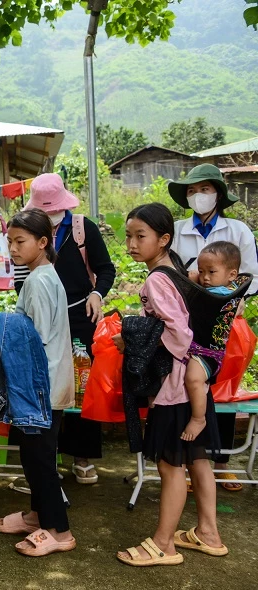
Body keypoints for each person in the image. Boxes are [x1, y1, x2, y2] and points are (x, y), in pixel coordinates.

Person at [116, 203, 227, 566]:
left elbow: (178, 333)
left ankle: (164, 544)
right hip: (196, 380)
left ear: (163, 239)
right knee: (196, 461)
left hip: (176, 385)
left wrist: (132, 339)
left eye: (140, 236)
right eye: (128, 235)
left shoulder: (156, 279)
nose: (132, 243)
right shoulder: (175, 268)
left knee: (169, 465)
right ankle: (208, 533)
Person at [16, 173, 116, 485]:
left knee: (83, 384)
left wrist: (97, 295)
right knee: (44, 381)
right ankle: (47, 460)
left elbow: (105, 268)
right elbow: (20, 275)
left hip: (81, 314)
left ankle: (82, 456)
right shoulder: (28, 231)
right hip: (45, 314)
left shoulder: (82, 228)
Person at [169, 163, 258, 492]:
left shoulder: (237, 231)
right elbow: (173, 272)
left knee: (222, 391)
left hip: (226, 322)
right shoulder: (177, 230)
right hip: (189, 320)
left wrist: (236, 298)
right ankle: (195, 463)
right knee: (192, 389)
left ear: (218, 194)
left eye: (203, 189)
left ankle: (221, 463)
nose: (197, 196)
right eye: (191, 191)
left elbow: (252, 274)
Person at [0, 209, 76, 557]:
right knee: (33, 455)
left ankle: (60, 531)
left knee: (40, 459)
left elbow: (34, 339)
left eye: (20, 241)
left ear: (42, 243)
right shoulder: (42, 275)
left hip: (42, 386)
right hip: (45, 384)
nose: (12, 248)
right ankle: (36, 516)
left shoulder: (39, 281)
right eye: (10, 241)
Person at [181, 241, 242, 442]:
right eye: (201, 271)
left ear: (232, 275)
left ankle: (199, 418)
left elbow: (194, 296)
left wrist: (188, 279)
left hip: (207, 354)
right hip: (200, 349)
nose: (205, 278)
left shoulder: (220, 295)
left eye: (211, 272)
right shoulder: (226, 288)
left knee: (193, 379)